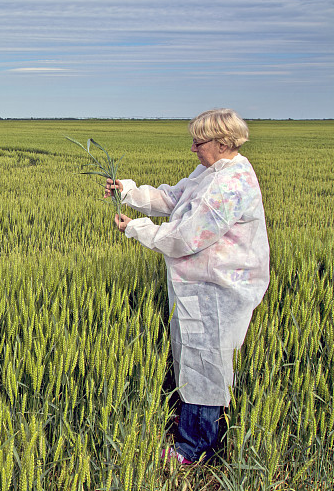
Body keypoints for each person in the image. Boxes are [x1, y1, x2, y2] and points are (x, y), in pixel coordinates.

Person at [105, 108, 270, 464]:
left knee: (205, 363)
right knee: (195, 356)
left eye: (199, 141)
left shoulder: (230, 184)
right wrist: (129, 191)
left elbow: (187, 236)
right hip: (201, 282)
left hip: (218, 287)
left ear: (223, 142)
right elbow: (175, 199)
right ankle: (199, 435)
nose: (193, 148)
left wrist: (135, 228)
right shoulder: (212, 171)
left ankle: (194, 449)